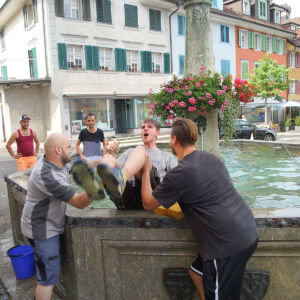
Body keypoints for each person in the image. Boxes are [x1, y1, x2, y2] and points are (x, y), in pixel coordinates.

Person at [140, 119, 259, 300]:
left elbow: (148, 203)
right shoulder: (212, 158)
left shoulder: (180, 173)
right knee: (197, 273)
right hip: (247, 229)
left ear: (174, 140)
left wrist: (145, 172)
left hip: (225, 246)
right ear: (194, 138)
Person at [21, 133, 104, 300]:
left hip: (49, 224)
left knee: (50, 271)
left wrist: (103, 161)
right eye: (69, 147)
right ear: (58, 150)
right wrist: (103, 180)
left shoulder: (59, 162)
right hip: (42, 230)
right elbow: (80, 203)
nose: (72, 149)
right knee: (47, 279)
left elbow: (82, 169)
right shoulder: (46, 175)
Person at [96, 118, 178, 209]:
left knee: (140, 151)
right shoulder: (129, 152)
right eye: (143, 127)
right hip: (128, 197)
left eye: (150, 127)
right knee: (108, 158)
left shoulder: (166, 156)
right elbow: (116, 169)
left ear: (157, 133)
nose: (145, 129)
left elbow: (177, 181)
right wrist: (111, 154)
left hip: (151, 196)